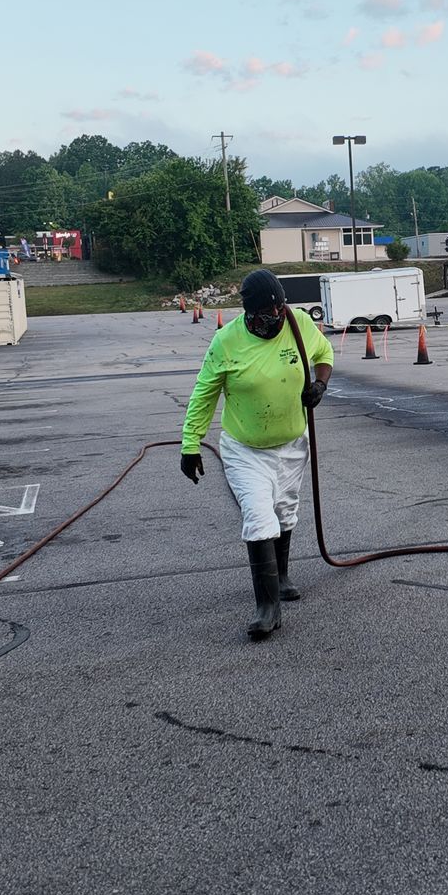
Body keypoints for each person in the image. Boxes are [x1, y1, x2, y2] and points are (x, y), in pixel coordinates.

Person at [181, 270, 334, 640]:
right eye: (268, 313)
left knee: (285, 510)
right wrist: (190, 444)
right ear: (250, 313)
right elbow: (204, 394)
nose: (277, 318)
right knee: (258, 515)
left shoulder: (297, 324)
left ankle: (280, 577)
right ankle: (267, 607)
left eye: (280, 309)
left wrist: (320, 384)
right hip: (245, 449)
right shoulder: (226, 341)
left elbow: (324, 353)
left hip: (292, 443)